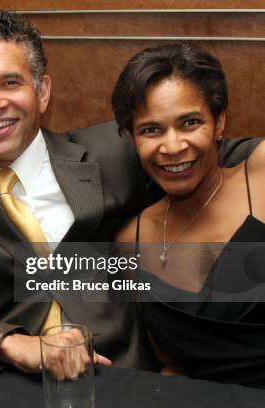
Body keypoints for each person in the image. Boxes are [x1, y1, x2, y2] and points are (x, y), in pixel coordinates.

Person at [0, 10, 260, 375]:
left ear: (42, 92)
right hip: (14, 384)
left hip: (125, 379)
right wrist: (7, 342)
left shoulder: (114, 151)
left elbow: (203, 148)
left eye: (10, 82)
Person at [113, 43, 265, 387]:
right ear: (133, 140)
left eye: (190, 122)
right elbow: (171, 365)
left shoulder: (260, 177)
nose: (172, 146)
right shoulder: (130, 241)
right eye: (151, 130)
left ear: (219, 123)